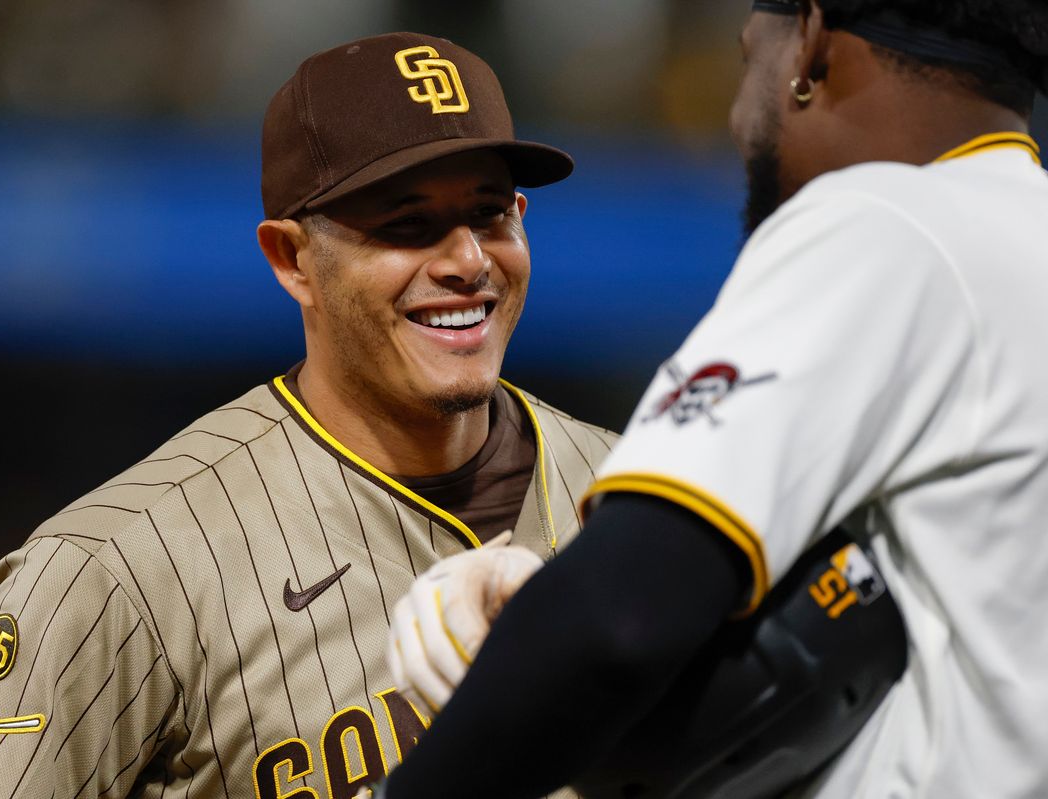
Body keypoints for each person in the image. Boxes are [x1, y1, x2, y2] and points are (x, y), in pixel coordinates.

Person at [0, 32, 617, 799]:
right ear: (292, 259)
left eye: (490, 214)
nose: (467, 259)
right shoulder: (123, 566)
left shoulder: (646, 490)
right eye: (406, 223)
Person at [378, 1, 1048, 797]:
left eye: (745, 61)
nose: (736, 119)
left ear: (809, 43)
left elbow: (620, 621)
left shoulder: (883, 224)